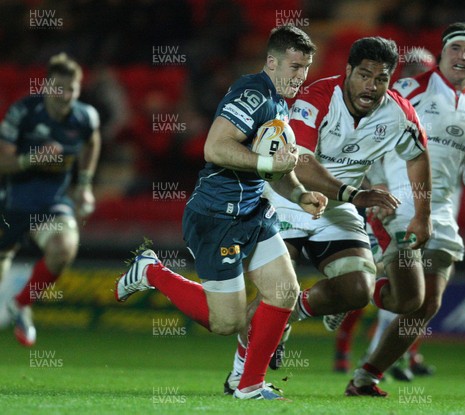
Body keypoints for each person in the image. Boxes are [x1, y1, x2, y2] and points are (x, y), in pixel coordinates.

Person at [114, 25, 327, 401]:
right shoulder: (252, 93)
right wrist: (265, 160)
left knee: (284, 291)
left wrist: (299, 192)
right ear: (272, 61)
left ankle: (248, 385)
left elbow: (272, 167)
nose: (301, 76)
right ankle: (151, 271)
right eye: (295, 66)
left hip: (253, 212)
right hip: (217, 216)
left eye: (306, 67)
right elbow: (215, 147)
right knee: (226, 322)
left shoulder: (279, 102)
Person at [224, 36, 432, 393]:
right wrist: (355, 194)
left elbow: (418, 155)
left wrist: (422, 216)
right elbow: (300, 164)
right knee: (274, 291)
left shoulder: (397, 112)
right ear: (348, 70)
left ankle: (294, 313)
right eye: (364, 75)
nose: (372, 86)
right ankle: (240, 374)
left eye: (381, 79)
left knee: (357, 290)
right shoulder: (317, 98)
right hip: (287, 196)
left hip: (337, 207)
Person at [345, 22, 465, 397]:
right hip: (397, 203)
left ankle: (367, 374)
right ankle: (356, 294)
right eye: (456, 48)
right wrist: (372, 184)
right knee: (409, 297)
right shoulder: (411, 89)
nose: (463, 56)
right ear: (442, 54)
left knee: (427, 304)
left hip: (441, 214)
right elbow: (370, 135)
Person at [333, 47, 437, 375]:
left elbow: (427, 159)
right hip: (381, 207)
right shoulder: (381, 105)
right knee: (401, 287)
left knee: (416, 293)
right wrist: (369, 189)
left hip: (411, 209)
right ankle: (354, 354)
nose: (415, 75)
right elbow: (354, 154)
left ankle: (402, 356)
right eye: (413, 68)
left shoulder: (423, 110)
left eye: (422, 69)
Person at [0, 53, 101, 347]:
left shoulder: (85, 117)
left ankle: (20, 305)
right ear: (45, 86)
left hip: (50, 202)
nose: (64, 95)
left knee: (64, 248)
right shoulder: (23, 112)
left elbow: (92, 141)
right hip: (10, 202)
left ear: (79, 90)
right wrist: (34, 158)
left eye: (71, 89)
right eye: (58, 88)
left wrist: (84, 184)